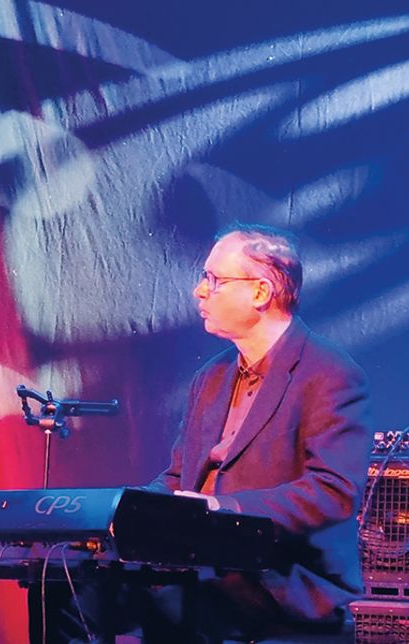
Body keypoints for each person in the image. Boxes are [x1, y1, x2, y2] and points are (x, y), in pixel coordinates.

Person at [30, 223, 372, 642]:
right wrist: (120, 510)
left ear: (261, 293)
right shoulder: (210, 378)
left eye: (214, 280)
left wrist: (220, 509)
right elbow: (177, 480)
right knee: (62, 585)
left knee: (168, 601)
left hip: (273, 580)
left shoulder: (329, 374)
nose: (199, 291)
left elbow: (331, 491)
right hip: (198, 570)